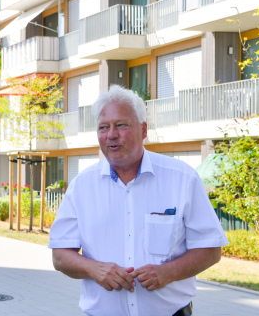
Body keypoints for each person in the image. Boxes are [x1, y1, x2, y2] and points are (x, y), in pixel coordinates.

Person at [48, 85, 228, 316]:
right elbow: (60, 254)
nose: (111, 134)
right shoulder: (81, 186)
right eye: (104, 127)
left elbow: (210, 248)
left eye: (121, 125)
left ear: (143, 130)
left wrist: (168, 272)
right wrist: (94, 269)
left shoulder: (182, 178)